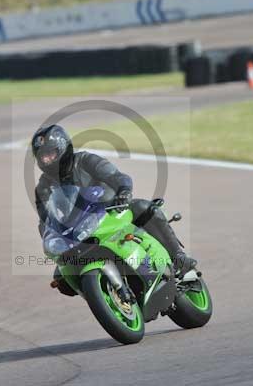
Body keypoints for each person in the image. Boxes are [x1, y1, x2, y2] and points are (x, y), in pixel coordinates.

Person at [32, 125, 197, 293]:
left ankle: (178, 258)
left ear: (63, 149)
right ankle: (104, 292)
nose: (46, 160)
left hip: (112, 210)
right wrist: (52, 238)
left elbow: (115, 176)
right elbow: (46, 219)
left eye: (50, 154)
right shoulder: (43, 188)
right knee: (61, 279)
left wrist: (123, 191)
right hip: (79, 232)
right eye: (42, 156)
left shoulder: (85, 160)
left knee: (145, 208)